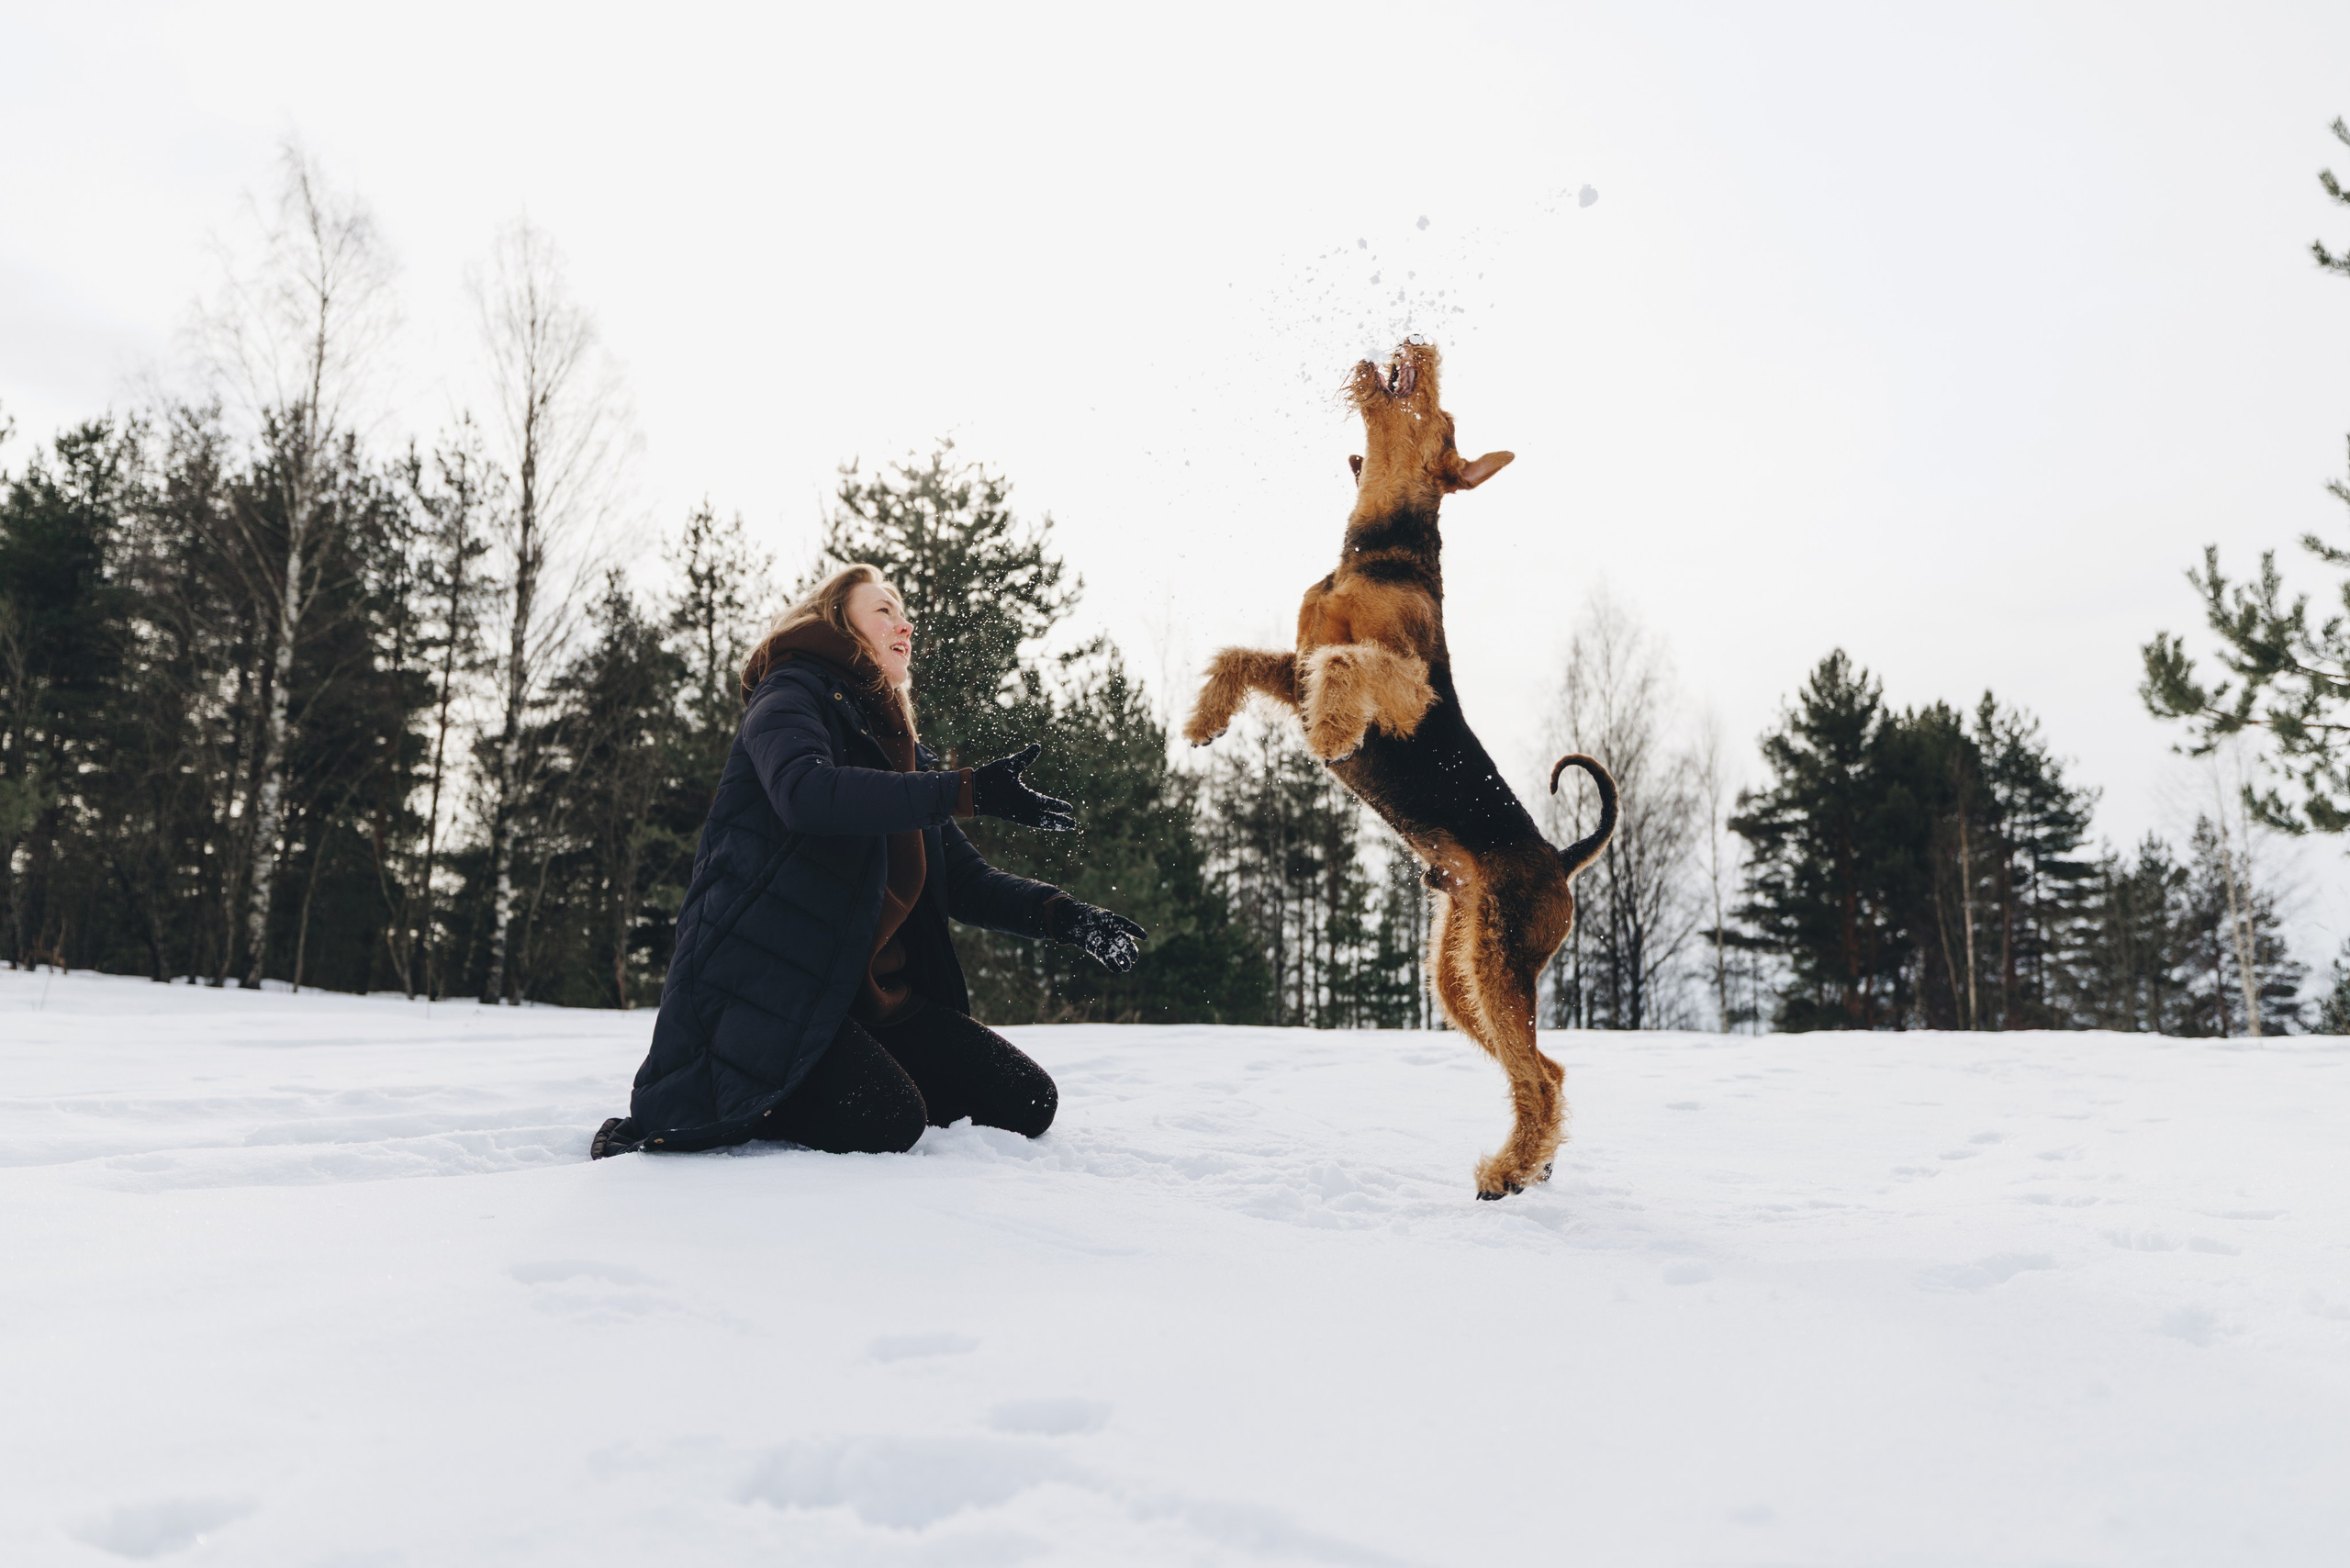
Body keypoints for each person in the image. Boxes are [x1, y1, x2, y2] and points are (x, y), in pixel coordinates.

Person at [590, 563, 1145, 1160]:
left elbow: (963, 881)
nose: (904, 624)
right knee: (887, 1121)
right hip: (771, 996)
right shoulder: (789, 693)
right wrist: (960, 791)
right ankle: (759, 1104)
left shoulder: (898, 749)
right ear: (836, 620)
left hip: (864, 1004)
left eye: (903, 612)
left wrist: (1067, 918)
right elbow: (806, 793)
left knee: (1027, 1102)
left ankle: (854, 1074)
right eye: (883, 610)